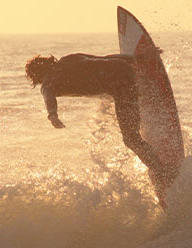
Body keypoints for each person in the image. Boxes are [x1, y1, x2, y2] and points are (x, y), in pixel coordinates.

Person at [25, 52, 175, 209]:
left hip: (121, 84)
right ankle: (143, 91)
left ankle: (162, 172)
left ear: (38, 77)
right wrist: (137, 57)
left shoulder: (48, 82)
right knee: (114, 99)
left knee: (130, 138)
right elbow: (104, 58)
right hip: (124, 68)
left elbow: (48, 97)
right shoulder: (68, 58)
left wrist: (52, 115)